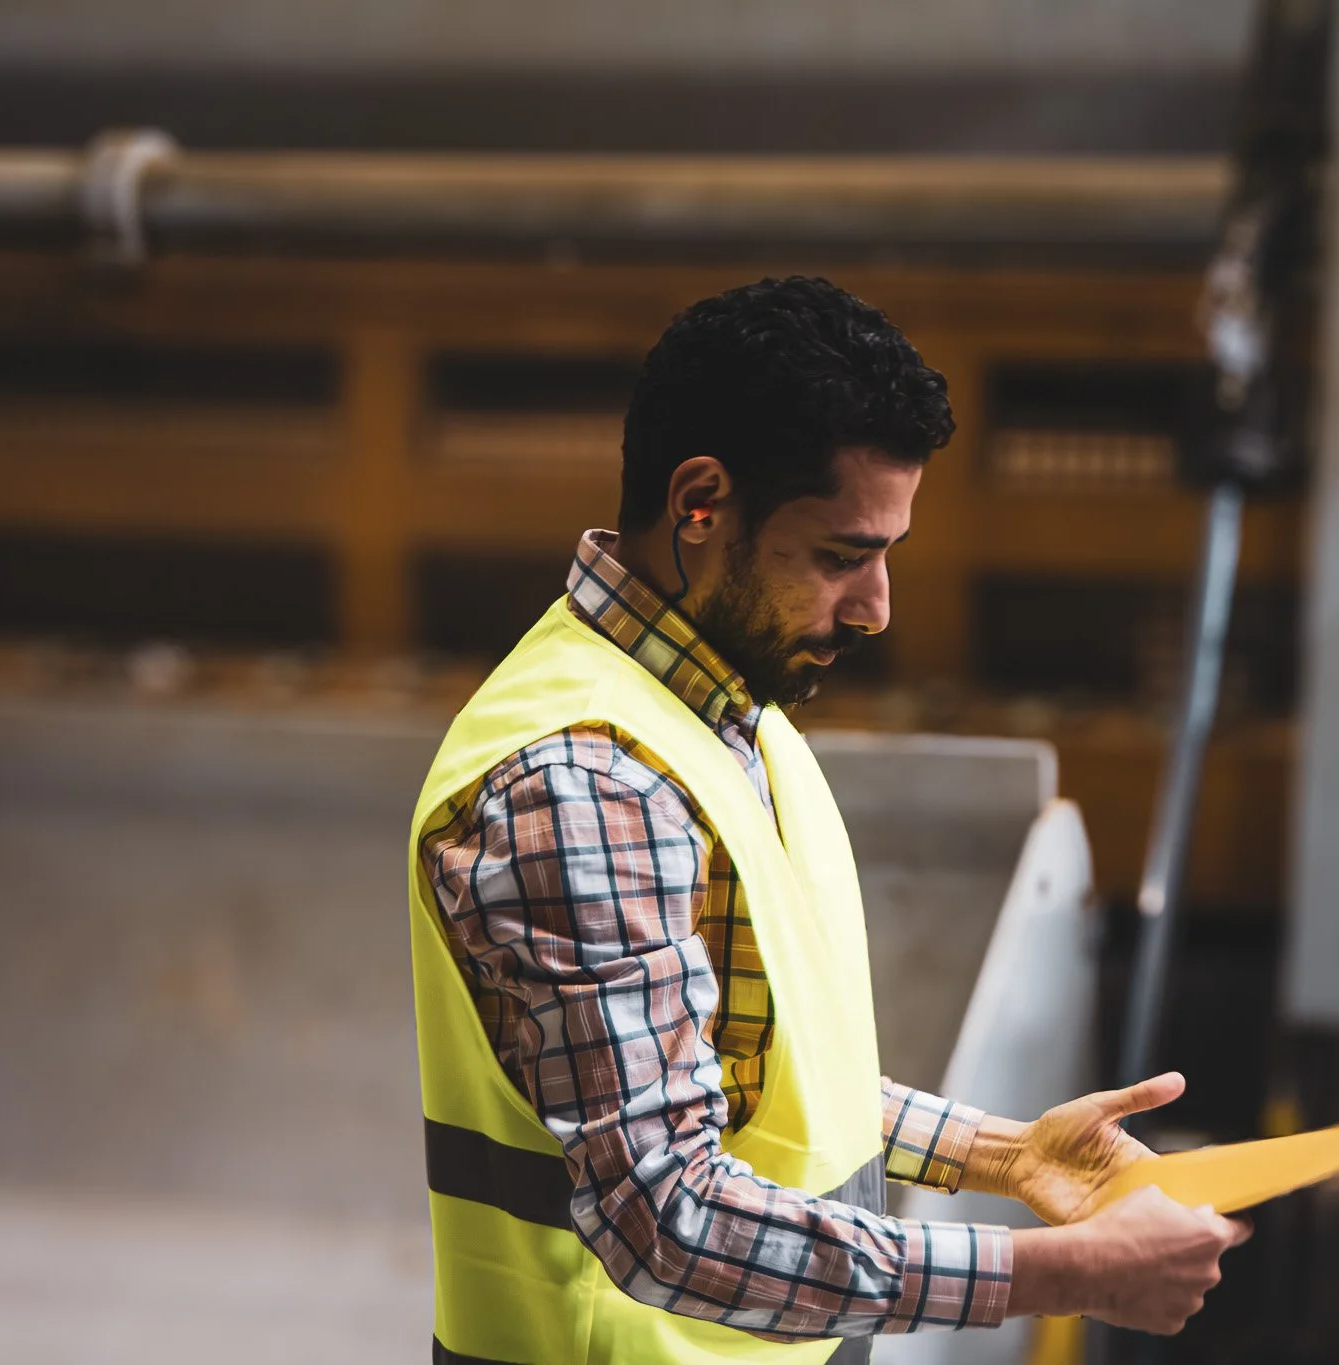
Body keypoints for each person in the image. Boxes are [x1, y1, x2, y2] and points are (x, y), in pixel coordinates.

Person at [406, 276, 1246, 1363]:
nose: (875, 607)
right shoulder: (583, 781)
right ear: (700, 504)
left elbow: (748, 1080)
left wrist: (1001, 1155)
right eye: (841, 555)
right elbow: (667, 1221)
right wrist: (1057, 1272)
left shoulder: (725, 719)